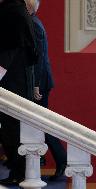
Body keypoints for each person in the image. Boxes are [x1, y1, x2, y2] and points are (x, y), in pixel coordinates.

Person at [24, 0, 67, 181]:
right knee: (38, 124)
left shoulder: (33, 25)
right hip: (39, 82)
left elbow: (39, 58)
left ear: (29, 7)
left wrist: (36, 85)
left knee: (42, 124)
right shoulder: (33, 23)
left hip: (39, 83)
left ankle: (62, 160)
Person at [0, 0, 38, 185]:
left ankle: (19, 172)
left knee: (12, 128)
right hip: (17, 77)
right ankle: (18, 170)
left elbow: (10, 49)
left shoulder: (13, 12)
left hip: (13, 79)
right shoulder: (16, 10)